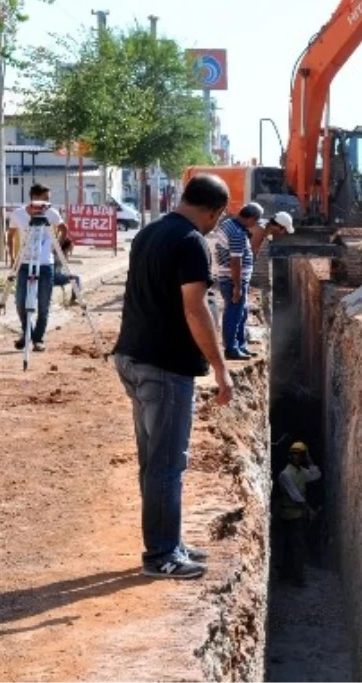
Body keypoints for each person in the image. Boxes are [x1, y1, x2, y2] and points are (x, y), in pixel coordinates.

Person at [113, 173, 234, 580]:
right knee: (166, 465)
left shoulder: (149, 233)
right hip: (164, 368)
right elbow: (195, 309)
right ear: (215, 211)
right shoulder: (191, 243)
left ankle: (171, 543)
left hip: (133, 357)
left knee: (154, 462)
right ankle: (162, 554)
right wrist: (220, 367)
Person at [213, 204, 293, 360]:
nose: (281, 233)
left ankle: (240, 346)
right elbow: (237, 260)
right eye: (282, 230)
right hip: (233, 278)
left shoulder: (232, 226)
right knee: (234, 314)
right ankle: (231, 348)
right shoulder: (242, 233)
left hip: (236, 278)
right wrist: (238, 286)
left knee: (241, 313)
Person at [7, 183, 68, 352]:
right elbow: (10, 235)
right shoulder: (18, 214)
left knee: (43, 304)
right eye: (44, 199)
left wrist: (55, 249)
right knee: (21, 302)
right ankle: (27, 333)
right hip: (24, 263)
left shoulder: (51, 214)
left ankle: (38, 339)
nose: (47, 203)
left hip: (45, 265)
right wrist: (12, 258)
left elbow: (64, 230)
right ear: (34, 197)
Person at [277, 441, 321, 587]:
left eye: (300, 454)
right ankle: (297, 578)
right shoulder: (285, 474)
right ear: (290, 456)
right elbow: (295, 496)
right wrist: (309, 510)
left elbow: (316, 474)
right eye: (295, 454)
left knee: (292, 546)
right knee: (298, 547)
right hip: (289, 516)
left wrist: (309, 459)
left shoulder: (300, 472)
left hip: (298, 516)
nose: (297, 457)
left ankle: (286, 574)